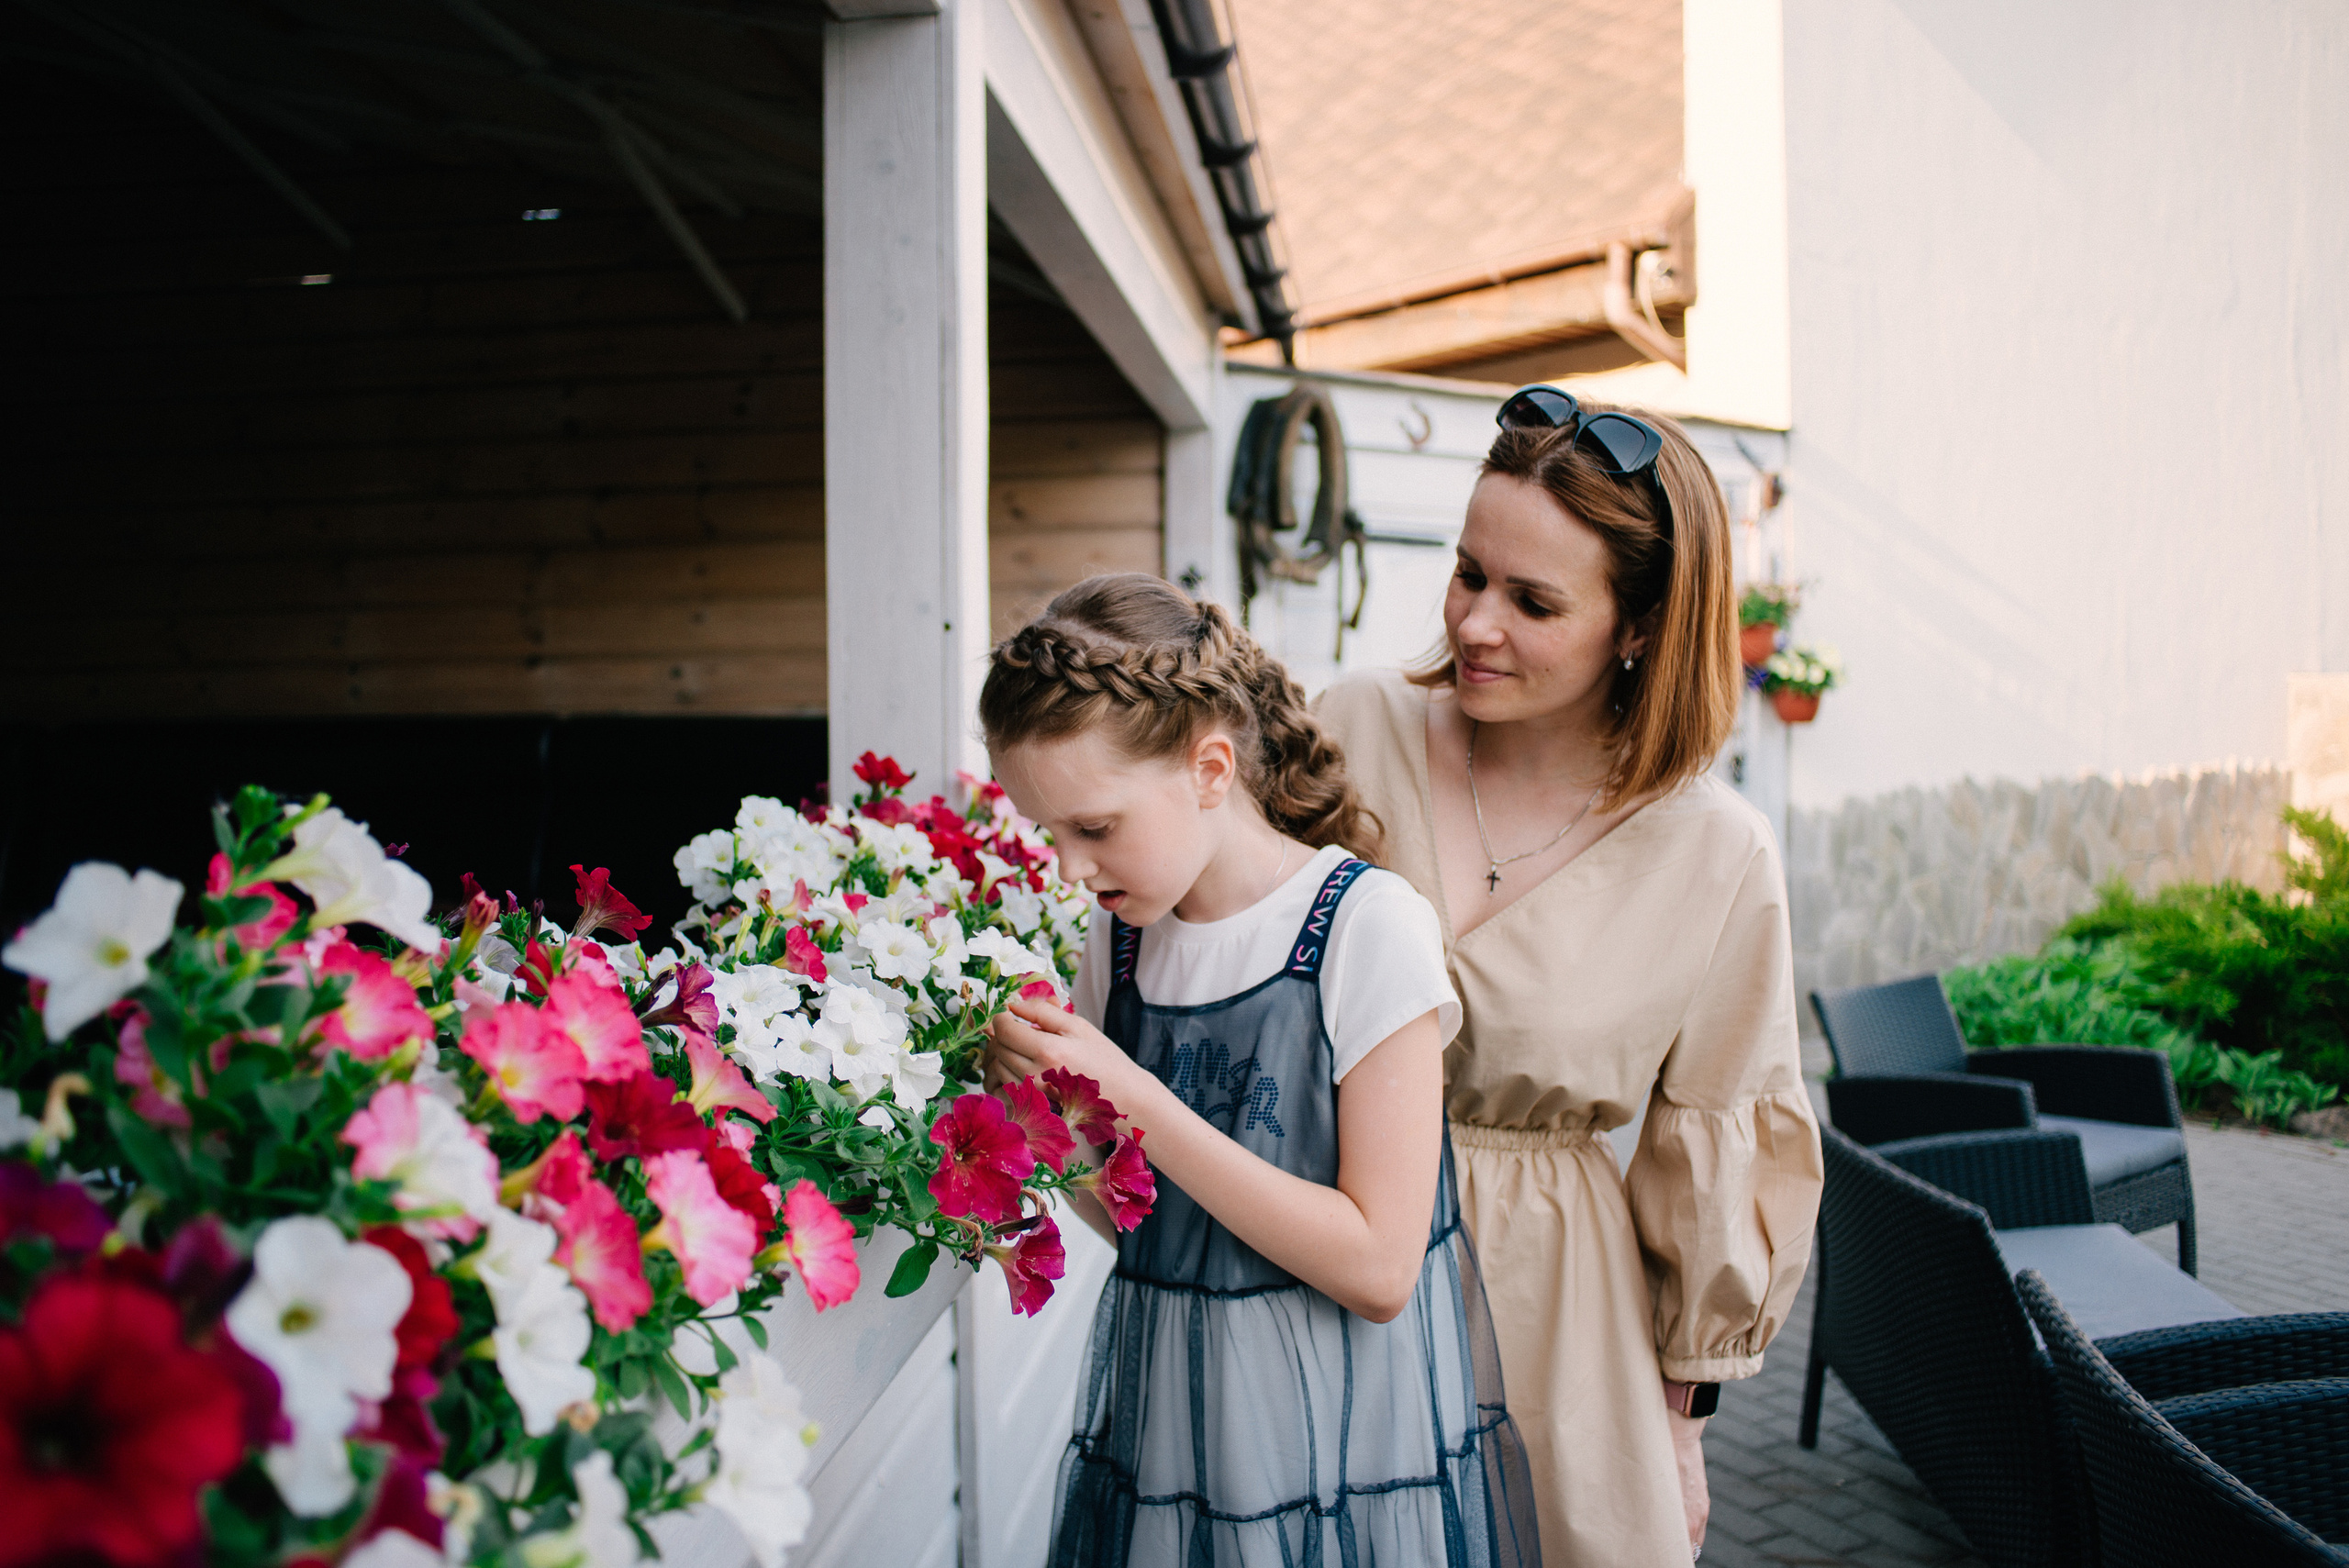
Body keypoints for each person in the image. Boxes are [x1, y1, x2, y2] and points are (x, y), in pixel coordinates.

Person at [1316, 386, 1824, 1567]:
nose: (1475, 622)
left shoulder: (1717, 851)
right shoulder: (1348, 727)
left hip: (1551, 1323)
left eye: (1533, 600)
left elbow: (1715, 1133)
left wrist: (1678, 1426)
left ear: (1638, 626)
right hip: (1322, 1252)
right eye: (1467, 573)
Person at [980, 573, 1538, 1568]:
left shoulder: (1364, 929)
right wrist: (1044, 1113)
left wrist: (1134, 1095)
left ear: (1209, 767)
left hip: (1338, 1440)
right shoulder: (1117, 940)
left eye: (1094, 828)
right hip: (1173, 1430)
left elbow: (1378, 1267)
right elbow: (1141, 1223)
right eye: (1045, 833)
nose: (1067, 867)